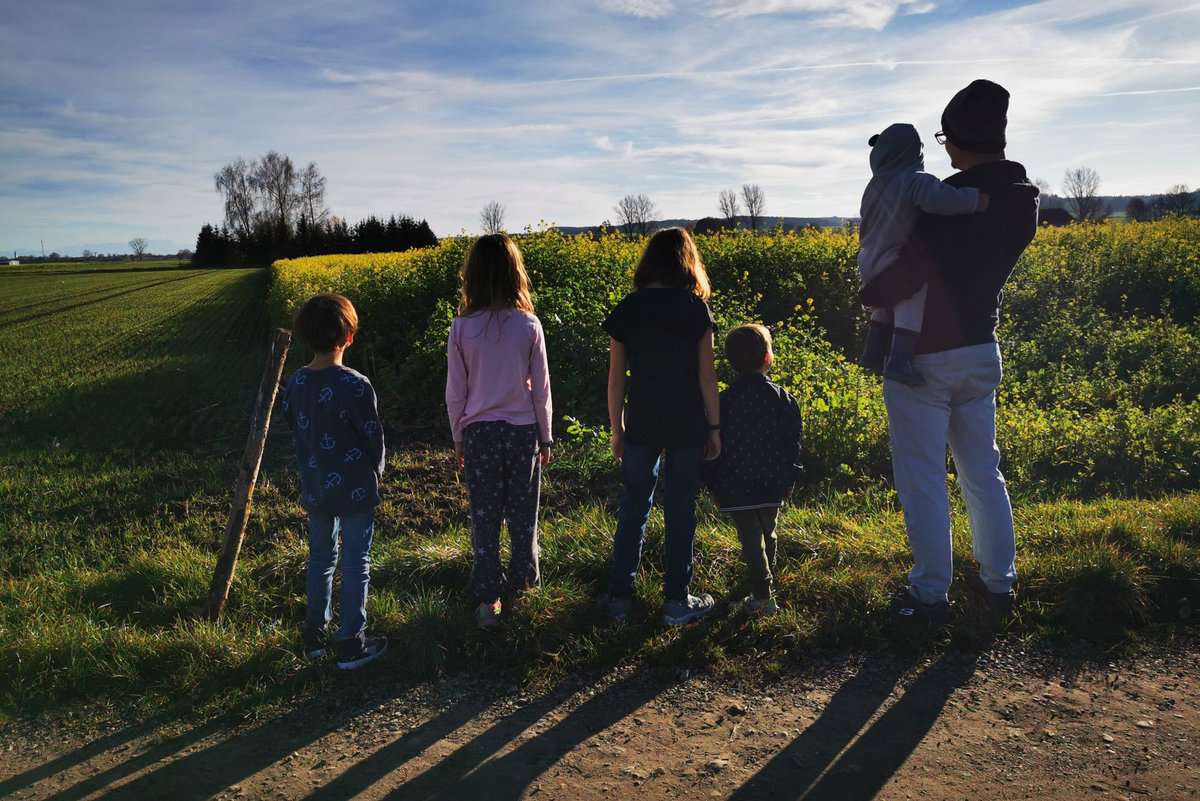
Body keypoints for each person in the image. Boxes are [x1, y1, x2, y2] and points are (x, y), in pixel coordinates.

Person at [859, 79, 1040, 625]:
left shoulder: (941, 205)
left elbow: (892, 281)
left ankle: (930, 593)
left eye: (945, 139)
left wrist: (871, 289)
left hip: (924, 358)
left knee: (922, 476)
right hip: (980, 351)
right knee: (982, 471)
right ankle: (999, 583)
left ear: (957, 140)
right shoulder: (1020, 201)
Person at [598, 227, 722, 627]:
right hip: (687, 423)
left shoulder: (629, 309)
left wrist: (616, 428)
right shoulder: (694, 309)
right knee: (681, 510)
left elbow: (616, 380)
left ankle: (619, 600)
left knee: (633, 506)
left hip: (642, 423)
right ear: (688, 262)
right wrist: (714, 426)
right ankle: (675, 601)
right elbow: (708, 377)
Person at [446, 233, 553, 629]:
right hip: (522, 431)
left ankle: (487, 601)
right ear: (515, 274)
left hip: (479, 434)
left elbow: (455, 391)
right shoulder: (529, 325)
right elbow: (541, 388)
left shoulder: (461, 328)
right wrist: (546, 435)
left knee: (485, 517)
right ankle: (524, 592)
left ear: (472, 276)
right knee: (524, 517)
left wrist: (458, 435)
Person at [281, 292, 388, 670]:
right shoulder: (357, 384)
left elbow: (291, 423)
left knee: (321, 559)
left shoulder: (295, 383)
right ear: (350, 336)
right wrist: (378, 471)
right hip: (356, 487)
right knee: (357, 560)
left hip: (316, 485)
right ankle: (351, 643)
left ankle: (314, 637)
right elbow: (373, 437)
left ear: (306, 337)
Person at [857, 122, 990, 386]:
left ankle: (872, 352)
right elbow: (940, 200)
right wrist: (976, 200)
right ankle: (899, 360)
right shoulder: (915, 180)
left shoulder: (874, 184)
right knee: (911, 296)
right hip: (891, 255)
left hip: (866, 257)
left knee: (883, 303)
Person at [703, 324, 803, 616]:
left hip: (737, 483)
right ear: (768, 358)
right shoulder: (783, 398)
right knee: (768, 532)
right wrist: (791, 475)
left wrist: (712, 480)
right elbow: (793, 440)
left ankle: (762, 595)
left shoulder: (725, 401)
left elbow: (714, 444)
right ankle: (764, 584)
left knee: (750, 539)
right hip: (773, 480)